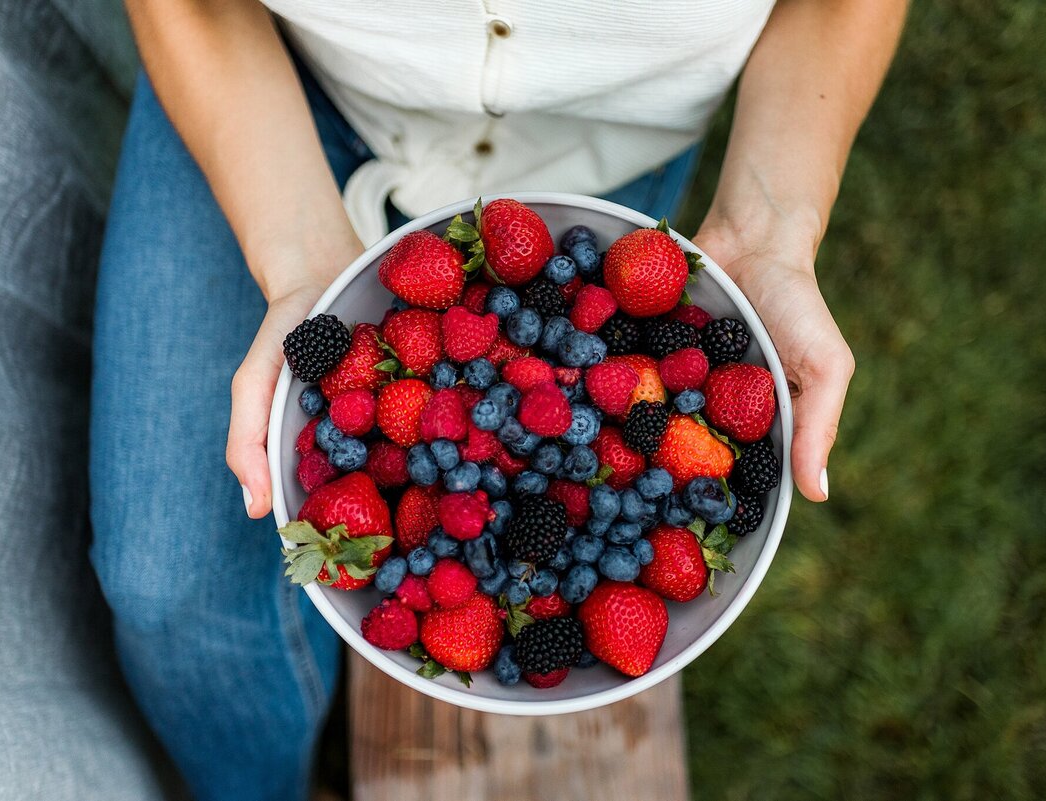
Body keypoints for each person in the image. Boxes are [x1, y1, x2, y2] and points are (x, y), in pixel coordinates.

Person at [91, 1, 906, 799]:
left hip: (608, 159)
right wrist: (300, 256)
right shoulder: (526, 412)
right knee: (161, 584)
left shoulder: (557, 427)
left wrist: (770, 231)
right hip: (273, 98)